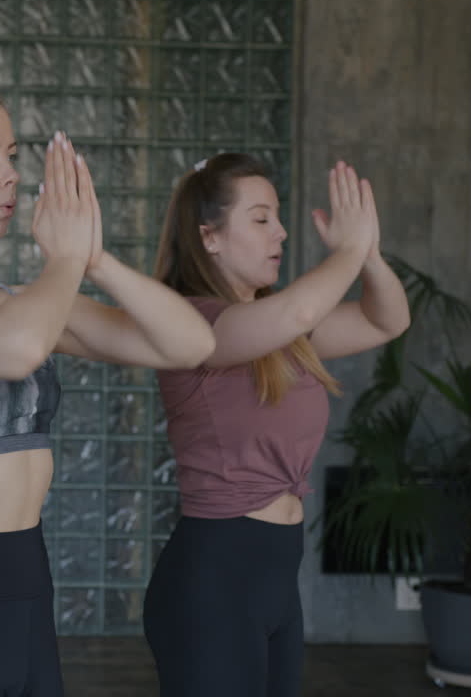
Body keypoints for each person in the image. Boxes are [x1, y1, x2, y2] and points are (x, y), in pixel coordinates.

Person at [0, 69, 216, 697]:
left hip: (27, 586)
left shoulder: (25, 303)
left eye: (14, 156)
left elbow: (191, 344)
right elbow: (18, 349)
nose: (12, 175)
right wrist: (66, 262)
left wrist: (97, 259)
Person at [143, 154, 411, 696]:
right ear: (210, 238)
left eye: (278, 217)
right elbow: (297, 313)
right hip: (214, 581)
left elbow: (388, 319)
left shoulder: (279, 334)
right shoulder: (191, 324)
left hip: (273, 581)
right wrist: (348, 250)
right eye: (262, 218)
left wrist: (370, 256)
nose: (281, 232)